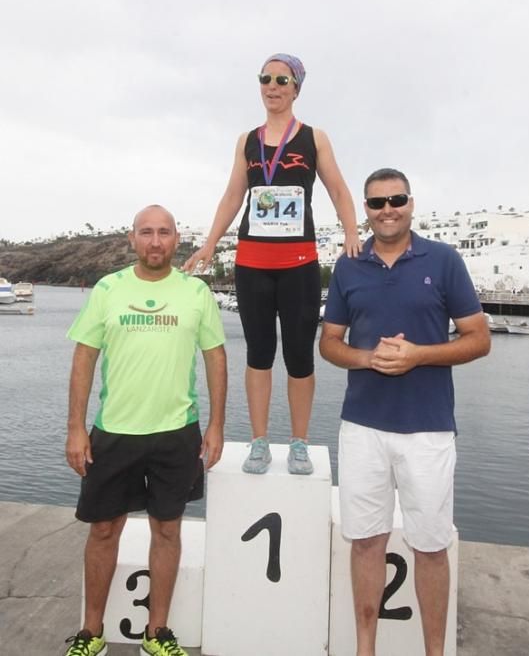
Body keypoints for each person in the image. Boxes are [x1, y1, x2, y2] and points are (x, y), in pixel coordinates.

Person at [319, 168, 490, 656]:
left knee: (431, 547)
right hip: (362, 428)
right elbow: (328, 344)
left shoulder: (445, 259)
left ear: (411, 203)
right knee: (366, 542)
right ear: (366, 211)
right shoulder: (349, 266)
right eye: (376, 203)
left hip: (428, 429)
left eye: (396, 199)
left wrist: (418, 354)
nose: (387, 209)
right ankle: (365, 649)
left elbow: (479, 339)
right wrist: (367, 357)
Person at [183, 53, 359, 476]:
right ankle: (260, 442)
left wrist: (352, 233)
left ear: (296, 87)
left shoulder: (314, 138)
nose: (273, 86)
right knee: (259, 354)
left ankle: (298, 442)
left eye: (282, 79)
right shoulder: (247, 140)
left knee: (300, 356)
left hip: (299, 262)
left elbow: (338, 189)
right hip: (252, 262)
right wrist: (210, 243)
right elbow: (232, 195)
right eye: (265, 78)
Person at [63, 205, 227, 656]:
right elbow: (84, 358)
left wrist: (216, 425)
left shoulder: (195, 292)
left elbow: (215, 357)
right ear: (132, 240)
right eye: (146, 233)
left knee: (168, 530)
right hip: (114, 432)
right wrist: (76, 428)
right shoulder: (108, 289)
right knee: (102, 531)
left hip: (177, 432)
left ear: (178, 240)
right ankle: (90, 633)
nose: (156, 241)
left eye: (165, 233)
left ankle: (157, 634)